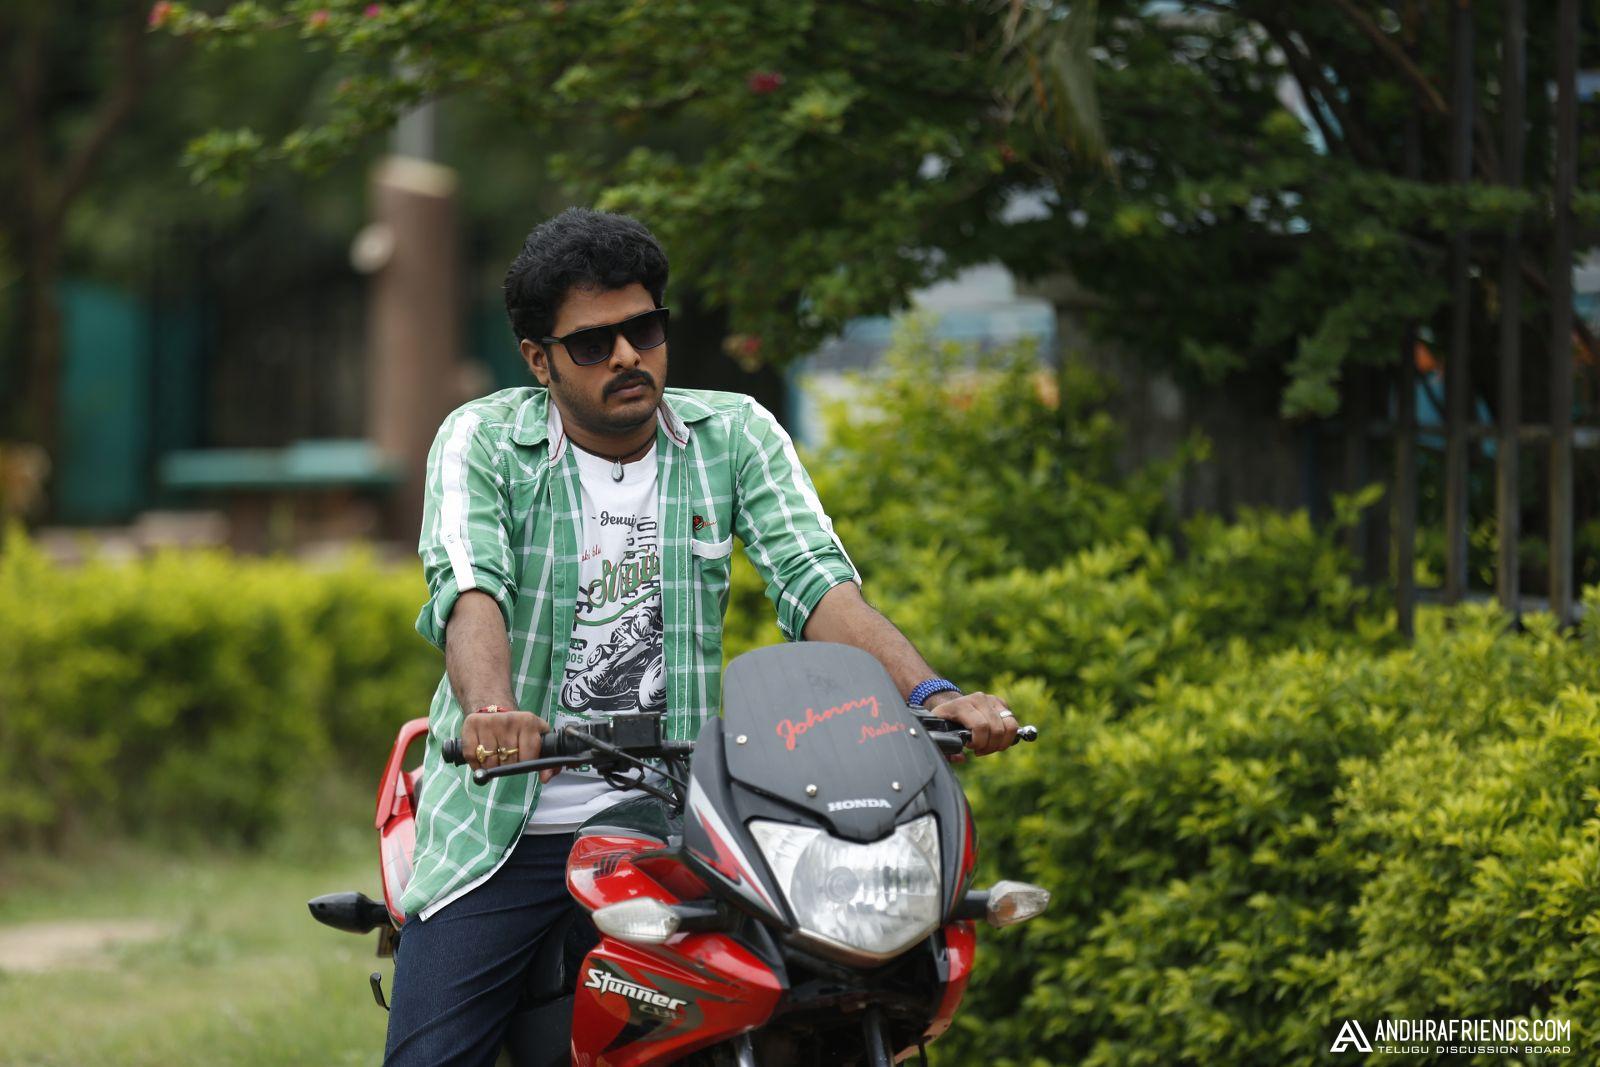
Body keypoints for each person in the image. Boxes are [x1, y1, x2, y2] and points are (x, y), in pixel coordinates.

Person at [382, 207, 1016, 1066]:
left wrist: (934, 695)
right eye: (592, 343)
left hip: (679, 819)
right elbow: (470, 591)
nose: (627, 356)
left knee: (813, 997)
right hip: (508, 829)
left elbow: (818, 586)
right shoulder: (485, 441)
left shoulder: (734, 435)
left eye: (643, 330)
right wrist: (493, 711)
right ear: (538, 360)